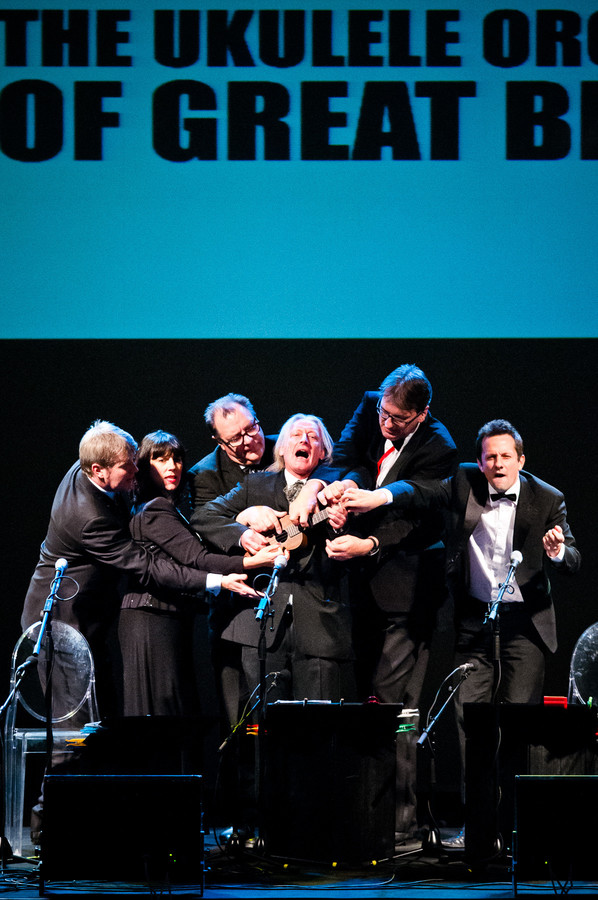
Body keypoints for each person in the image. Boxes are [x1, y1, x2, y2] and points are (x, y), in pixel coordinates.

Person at [342, 418, 581, 850]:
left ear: (521, 460)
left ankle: (516, 830)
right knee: (470, 726)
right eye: (489, 456)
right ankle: (478, 829)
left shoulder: (547, 498)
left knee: (516, 729)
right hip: (474, 624)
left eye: (506, 455)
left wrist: (558, 550)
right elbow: (422, 491)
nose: (497, 463)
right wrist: (379, 495)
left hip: (523, 628)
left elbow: (573, 557)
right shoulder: (463, 483)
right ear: (480, 460)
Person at [20, 420, 258, 845]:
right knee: (75, 731)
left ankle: (97, 825)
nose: (137, 475)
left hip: (90, 625)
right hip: (60, 625)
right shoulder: (87, 516)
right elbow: (145, 565)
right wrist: (215, 581)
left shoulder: (92, 471)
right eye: (130, 469)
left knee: (104, 726)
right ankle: (48, 833)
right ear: (97, 472)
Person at [290, 364, 458, 843]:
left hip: (408, 595)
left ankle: (398, 825)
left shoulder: (438, 446)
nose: (387, 423)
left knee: (394, 706)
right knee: (368, 701)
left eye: (399, 419)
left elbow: (420, 506)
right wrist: (329, 486)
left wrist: (373, 526)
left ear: (421, 415)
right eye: (385, 413)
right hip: (363, 590)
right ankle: (368, 814)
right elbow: (345, 454)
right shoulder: (370, 406)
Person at [193, 414, 355, 842]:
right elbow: (205, 517)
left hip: (319, 624)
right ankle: (256, 821)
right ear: (280, 448)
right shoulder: (254, 488)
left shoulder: (341, 482)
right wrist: (241, 532)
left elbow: (366, 526)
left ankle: (316, 828)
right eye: (296, 436)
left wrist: (342, 521)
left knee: (318, 730)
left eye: (314, 438)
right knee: (257, 729)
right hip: (258, 624)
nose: (305, 441)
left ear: (323, 451)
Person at [118, 430, 279, 718]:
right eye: (161, 459)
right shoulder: (155, 509)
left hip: (164, 615)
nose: (172, 467)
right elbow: (198, 559)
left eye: (177, 459)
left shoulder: (163, 507)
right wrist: (253, 563)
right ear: (144, 464)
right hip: (152, 617)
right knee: (161, 710)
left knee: (172, 710)